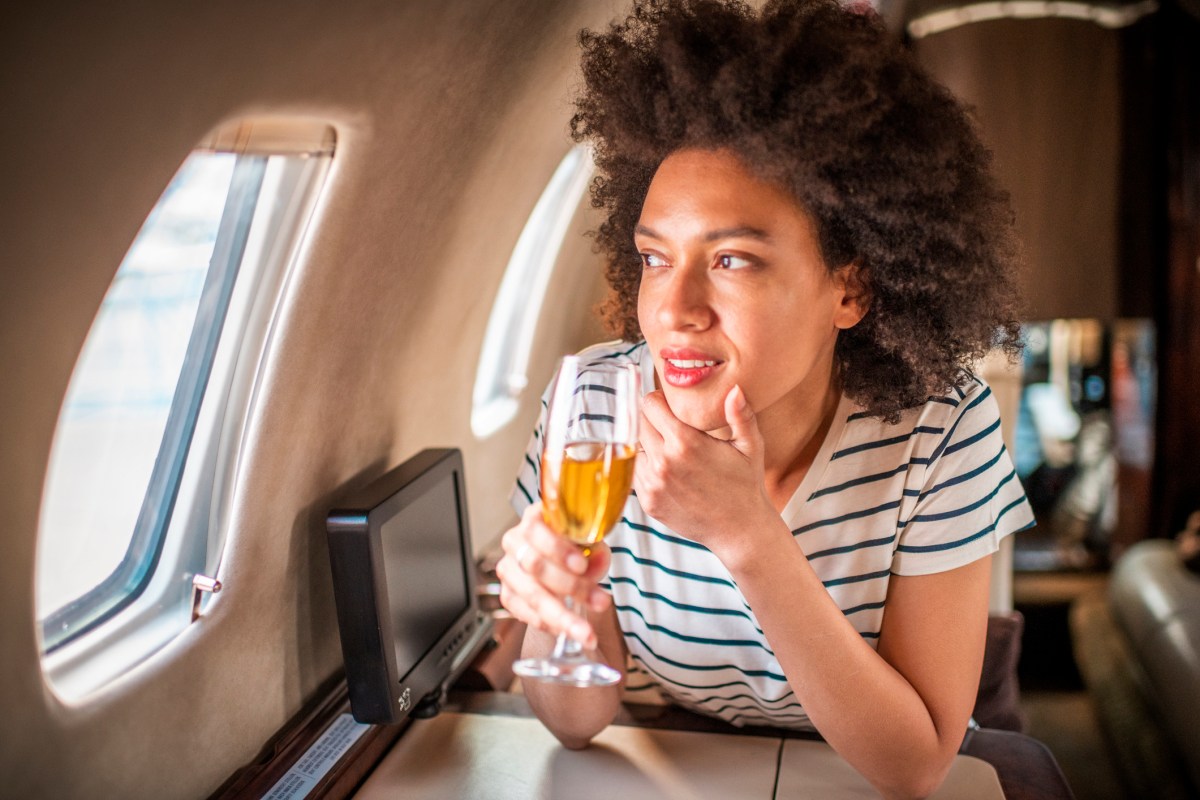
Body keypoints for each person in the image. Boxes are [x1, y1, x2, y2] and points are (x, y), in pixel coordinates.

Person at [494, 0, 1035, 796]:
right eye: (653, 257)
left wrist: (748, 536)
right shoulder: (598, 407)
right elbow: (575, 720)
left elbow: (916, 764)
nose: (673, 309)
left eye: (733, 261)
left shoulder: (941, 427)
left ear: (849, 289)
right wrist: (556, 609)